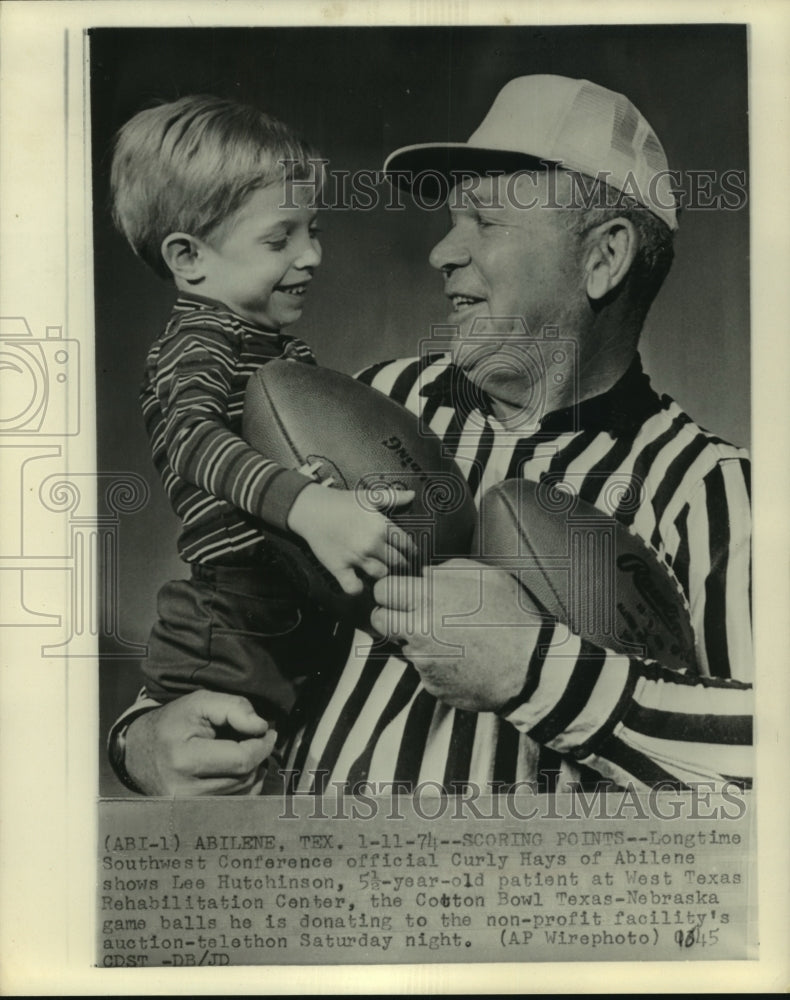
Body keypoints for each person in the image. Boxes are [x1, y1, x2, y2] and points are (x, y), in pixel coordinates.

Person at [110, 75, 753, 796]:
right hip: (303, 897)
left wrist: (533, 671)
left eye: (484, 221)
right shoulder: (372, 396)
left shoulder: (713, 493)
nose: (442, 252)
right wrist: (145, 738)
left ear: (603, 258)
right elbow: (235, 611)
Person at [107, 95, 415, 793]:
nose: (312, 255)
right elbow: (189, 440)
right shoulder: (201, 339)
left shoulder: (269, 347)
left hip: (283, 608)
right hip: (235, 623)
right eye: (281, 239)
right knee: (240, 779)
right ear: (188, 259)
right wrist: (309, 506)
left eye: (312, 230)